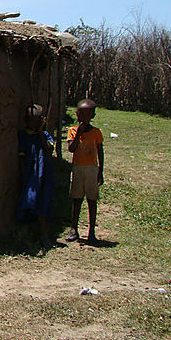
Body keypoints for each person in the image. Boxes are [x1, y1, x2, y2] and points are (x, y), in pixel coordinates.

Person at [17, 104, 55, 255]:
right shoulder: (23, 136)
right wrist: (22, 176)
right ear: (27, 121)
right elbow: (21, 159)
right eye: (35, 120)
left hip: (45, 174)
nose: (38, 123)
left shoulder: (45, 136)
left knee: (44, 202)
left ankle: (44, 235)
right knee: (29, 201)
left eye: (40, 120)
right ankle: (26, 237)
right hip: (31, 177)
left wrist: (40, 133)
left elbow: (48, 150)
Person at [66, 99, 104, 245]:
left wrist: (100, 171)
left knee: (92, 200)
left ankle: (91, 232)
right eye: (81, 114)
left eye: (88, 114)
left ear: (92, 116)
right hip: (78, 168)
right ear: (77, 114)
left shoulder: (96, 132)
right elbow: (71, 149)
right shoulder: (72, 131)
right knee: (76, 199)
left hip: (92, 169)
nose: (84, 117)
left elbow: (100, 151)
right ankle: (74, 229)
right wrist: (78, 134)